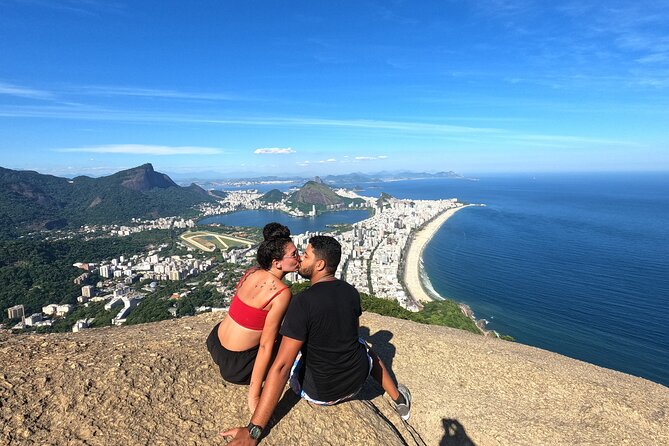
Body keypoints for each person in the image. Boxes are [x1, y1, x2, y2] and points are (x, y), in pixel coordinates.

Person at [222, 235, 411, 444]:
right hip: (356, 383)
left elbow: (282, 367)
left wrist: (253, 431)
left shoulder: (302, 302)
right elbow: (352, 334)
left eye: (306, 255)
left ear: (319, 264)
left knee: (286, 350)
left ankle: (399, 399)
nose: (301, 259)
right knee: (365, 349)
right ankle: (399, 399)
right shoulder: (351, 292)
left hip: (319, 394)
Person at [206, 222, 300, 413]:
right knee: (291, 343)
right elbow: (266, 346)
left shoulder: (251, 272)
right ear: (277, 263)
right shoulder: (281, 293)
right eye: (294, 255)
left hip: (215, 342)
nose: (299, 259)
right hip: (236, 367)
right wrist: (255, 396)